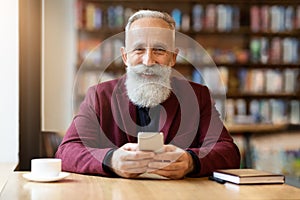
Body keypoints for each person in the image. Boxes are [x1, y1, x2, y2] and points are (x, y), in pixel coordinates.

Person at [55, 10, 240, 179]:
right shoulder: (99, 95)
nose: (148, 61)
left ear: (173, 57)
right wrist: (111, 160)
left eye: (159, 50)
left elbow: (228, 152)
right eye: (139, 49)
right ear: (125, 56)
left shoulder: (197, 96)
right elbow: (66, 152)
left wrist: (191, 161)